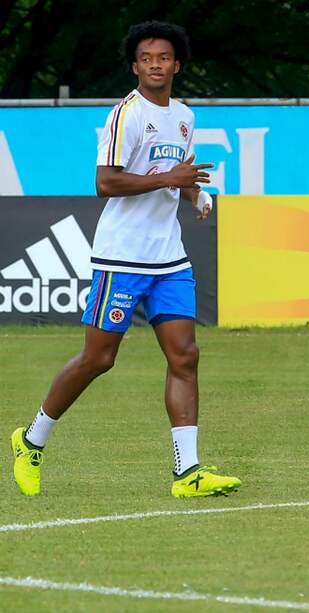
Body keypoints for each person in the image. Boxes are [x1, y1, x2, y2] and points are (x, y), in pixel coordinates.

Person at [10, 21, 241, 498]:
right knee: (99, 358)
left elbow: (176, 174)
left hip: (169, 257)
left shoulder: (183, 116)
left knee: (186, 356)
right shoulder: (126, 115)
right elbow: (106, 182)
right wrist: (171, 180)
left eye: (164, 57)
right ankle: (31, 441)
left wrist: (194, 193)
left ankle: (188, 473)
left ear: (177, 64)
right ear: (135, 66)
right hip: (121, 256)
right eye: (146, 58)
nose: (155, 64)